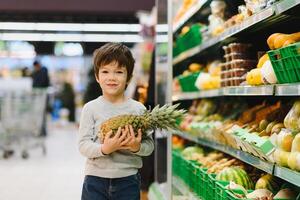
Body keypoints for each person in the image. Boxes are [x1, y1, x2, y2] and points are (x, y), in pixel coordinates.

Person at [78, 43, 154, 200]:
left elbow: (149, 146)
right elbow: (83, 145)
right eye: (105, 71)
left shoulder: (138, 109)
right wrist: (104, 149)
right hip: (95, 181)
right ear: (97, 77)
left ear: (129, 77)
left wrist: (136, 147)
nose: (111, 77)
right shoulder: (90, 108)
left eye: (119, 72)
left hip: (128, 181)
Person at [31, 60, 50, 136]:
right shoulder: (39, 72)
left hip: (41, 97)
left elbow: (40, 84)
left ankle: (42, 131)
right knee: (41, 114)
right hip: (40, 97)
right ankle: (41, 130)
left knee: (41, 114)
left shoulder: (42, 72)